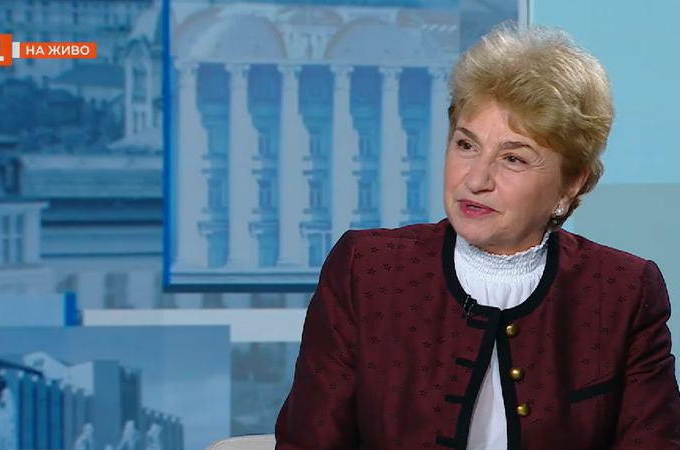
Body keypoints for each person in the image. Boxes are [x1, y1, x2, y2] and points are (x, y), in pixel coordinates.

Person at [275, 25, 680, 450]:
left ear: (571, 184)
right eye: (466, 146)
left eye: (513, 158)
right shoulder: (367, 270)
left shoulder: (623, 291)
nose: (476, 179)